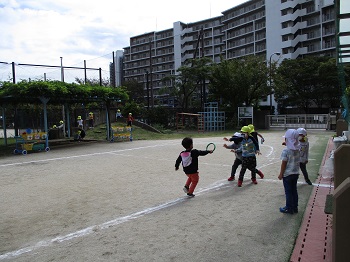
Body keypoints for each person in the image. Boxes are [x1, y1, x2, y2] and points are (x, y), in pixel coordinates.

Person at [278, 129, 300, 214]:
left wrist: (281, 174)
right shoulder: (298, 149)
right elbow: (293, 146)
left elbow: (284, 163)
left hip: (287, 175)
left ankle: (288, 208)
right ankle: (295, 207)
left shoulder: (285, 151)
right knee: (294, 190)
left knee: (288, 192)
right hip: (295, 173)